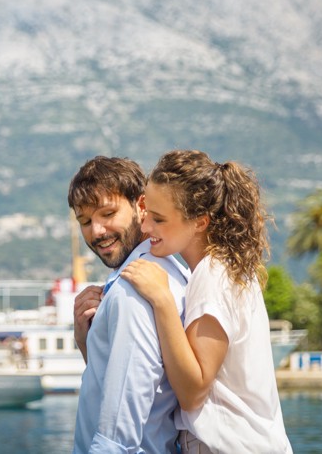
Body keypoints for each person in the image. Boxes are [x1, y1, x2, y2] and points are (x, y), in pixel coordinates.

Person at [121, 149, 292, 453]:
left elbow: (192, 391)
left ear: (200, 222)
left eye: (159, 219)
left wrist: (162, 301)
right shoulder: (227, 269)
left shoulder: (211, 276)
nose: (146, 228)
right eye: (147, 215)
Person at [69, 155, 190, 454]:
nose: (96, 231)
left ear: (141, 206)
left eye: (107, 214)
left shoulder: (132, 290)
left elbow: (120, 429)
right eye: (85, 221)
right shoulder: (162, 270)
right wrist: (88, 343)